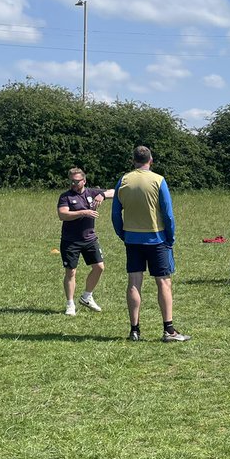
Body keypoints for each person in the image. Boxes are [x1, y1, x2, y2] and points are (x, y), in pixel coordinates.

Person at [110, 145, 189, 342]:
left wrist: (123, 234)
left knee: (134, 283)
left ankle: (134, 330)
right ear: (150, 160)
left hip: (132, 239)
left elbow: (115, 214)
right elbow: (168, 214)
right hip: (157, 239)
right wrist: (170, 238)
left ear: (133, 160)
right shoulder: (158, 180)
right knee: (163, 282)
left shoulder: (123, 180)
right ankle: (168, 330)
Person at [57, 167, 115, 316]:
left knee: (99, 267)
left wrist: (102, 194)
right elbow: (62, 214)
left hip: (90, 239)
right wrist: (84, 212)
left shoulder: (91, 193)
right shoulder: (66, 197)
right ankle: (70, 304)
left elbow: (114, 192)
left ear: (84, 180)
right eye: (72, 181)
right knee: (71, 272)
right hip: (71, 240)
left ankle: (87, 296)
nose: (74, 184)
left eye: (77, 181)